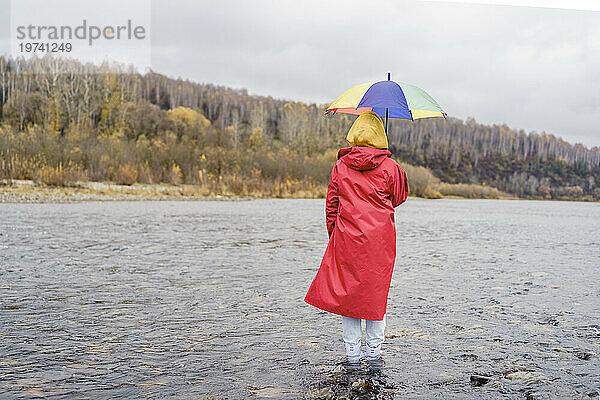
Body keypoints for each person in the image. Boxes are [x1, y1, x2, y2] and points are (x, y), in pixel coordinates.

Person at [304, 111, 409, 364]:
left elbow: (332, 206)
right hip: (380, 243)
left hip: (346, 239)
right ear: (380, 137)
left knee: (348, 298)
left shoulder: (340, 165)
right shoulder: (391, 167)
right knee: (375, 297)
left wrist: (336, 236)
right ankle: (374, 357)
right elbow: (400, 197)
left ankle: (352, 358)